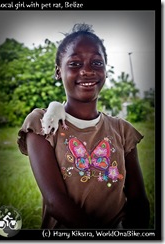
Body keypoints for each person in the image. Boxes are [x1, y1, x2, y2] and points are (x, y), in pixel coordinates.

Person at [17, 23, 150, 229]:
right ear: (58, 72)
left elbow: (138, 201)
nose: (87, 71)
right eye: (75, 64)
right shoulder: (42, 124)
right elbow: (55, 203)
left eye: (97, 63)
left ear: (106, 70)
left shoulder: (123, 130)